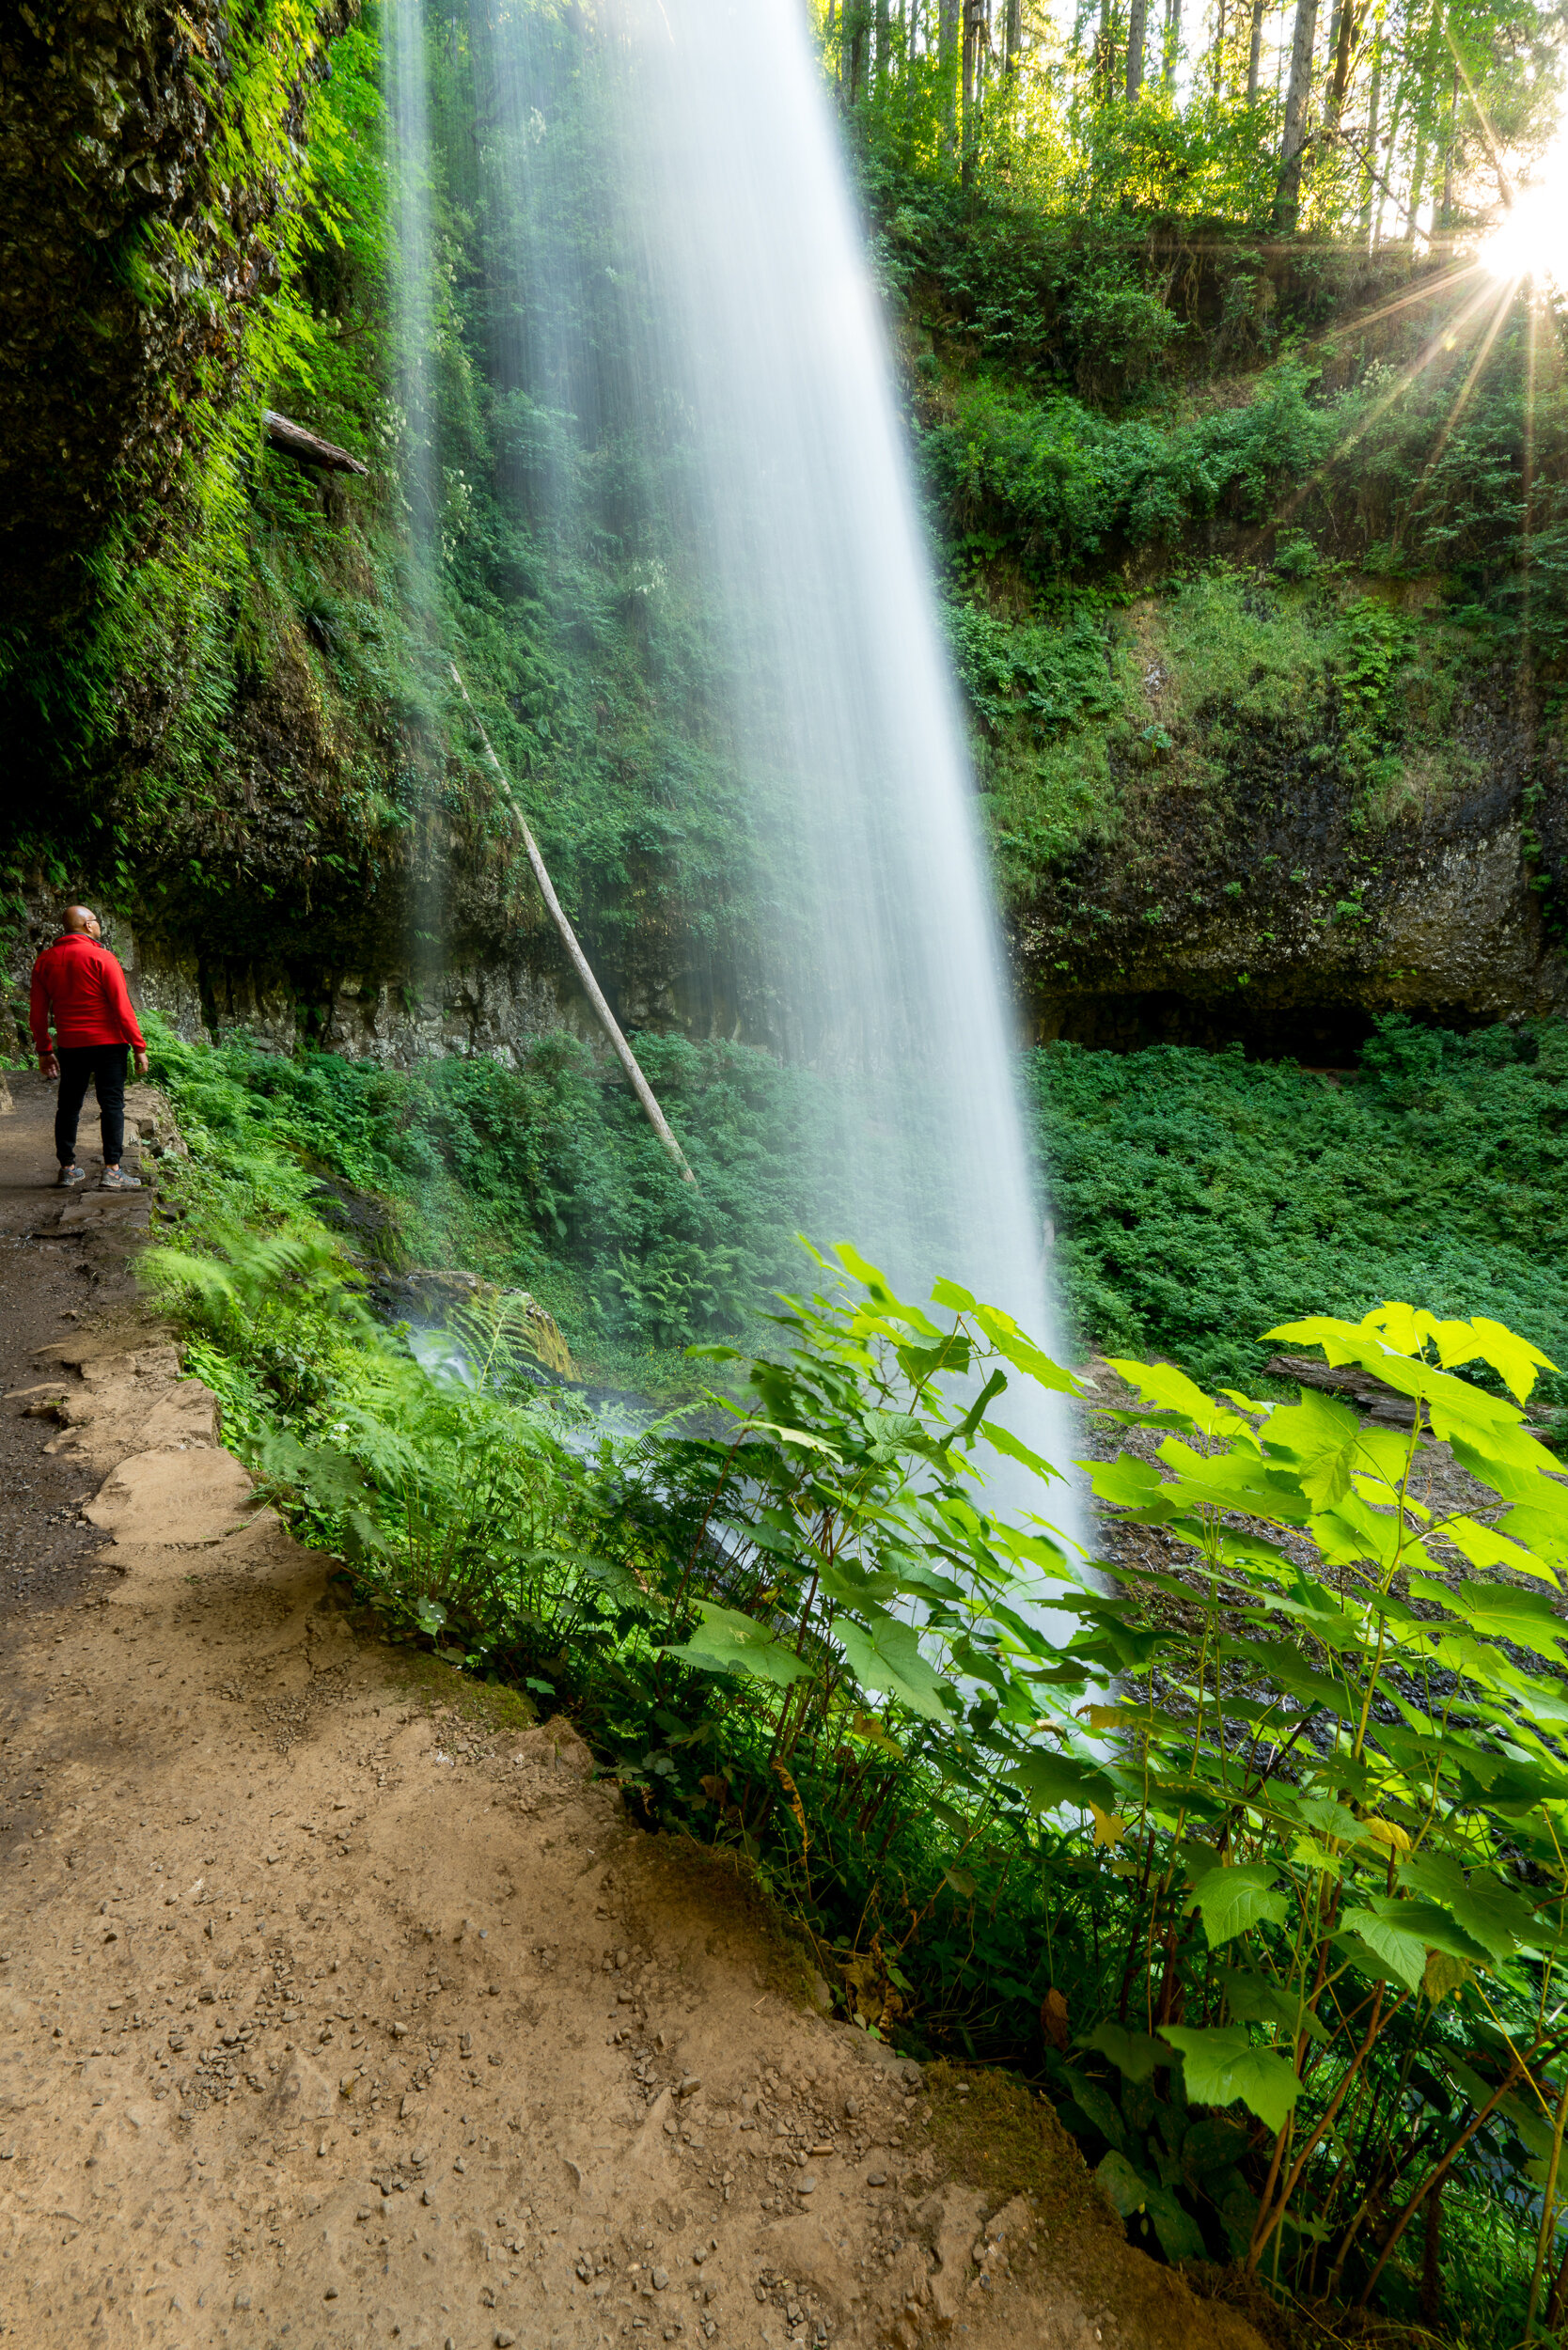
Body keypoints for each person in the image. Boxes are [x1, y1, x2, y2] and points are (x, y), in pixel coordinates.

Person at [29, 905, 150, 1190]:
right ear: (87, 926)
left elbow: (37, 1013)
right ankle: (113, 1169)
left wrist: (45, 1051)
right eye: (96, 922)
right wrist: (138, 1046)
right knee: (112, 1104)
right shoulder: (102, 957)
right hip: (109, 1044)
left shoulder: (45, 961)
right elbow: (122, 1007)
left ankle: (68, 1168)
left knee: (68, 1105)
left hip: (71, 1045)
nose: (98, 926)